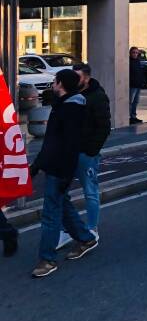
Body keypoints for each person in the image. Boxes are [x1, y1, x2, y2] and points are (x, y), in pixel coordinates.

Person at [30, 70, 99, 277]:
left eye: (54, 81)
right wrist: (37, 165)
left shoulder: (71, 109)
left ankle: (47, 259)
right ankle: (86, 238)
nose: (52, 84)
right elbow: (51, 141)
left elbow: (70, 145)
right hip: (54, 165)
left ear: (60, 84)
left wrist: (66, 175)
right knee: (63, 205)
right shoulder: (61, 105)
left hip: (61, 168)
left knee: (50, 213)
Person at [65, 62, 110, 241]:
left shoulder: (97, 97)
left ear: (87, 78)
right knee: (60, 192)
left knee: (90, 191)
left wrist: (91, 150)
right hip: (68, 152)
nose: (74, 80)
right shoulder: (70, 94)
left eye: (78, 77)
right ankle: (66, 229)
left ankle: (92, 228)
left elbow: (104, 126)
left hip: (86, 153)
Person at [128, 46, 146, 124]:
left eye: (136, 53)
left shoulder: (138, 61)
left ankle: (133, 116)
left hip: (138, 85)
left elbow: (140, 72)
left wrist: (142, 81)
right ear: (130, 53)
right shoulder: (128, 62)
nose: (135, 54)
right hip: (132, 85)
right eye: (133, 52)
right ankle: (130, 117)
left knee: (136, 102)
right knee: (130, 102)